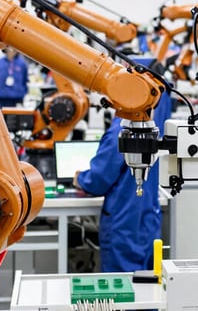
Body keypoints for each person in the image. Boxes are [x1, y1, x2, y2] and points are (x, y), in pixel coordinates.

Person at [73, 92, 171, 272]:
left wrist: (80, 179)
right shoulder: (154, 125)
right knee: (146, 281)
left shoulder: (122, 129)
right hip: (147, 215)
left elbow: (100, 179)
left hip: (123, 218)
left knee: (121, 285)